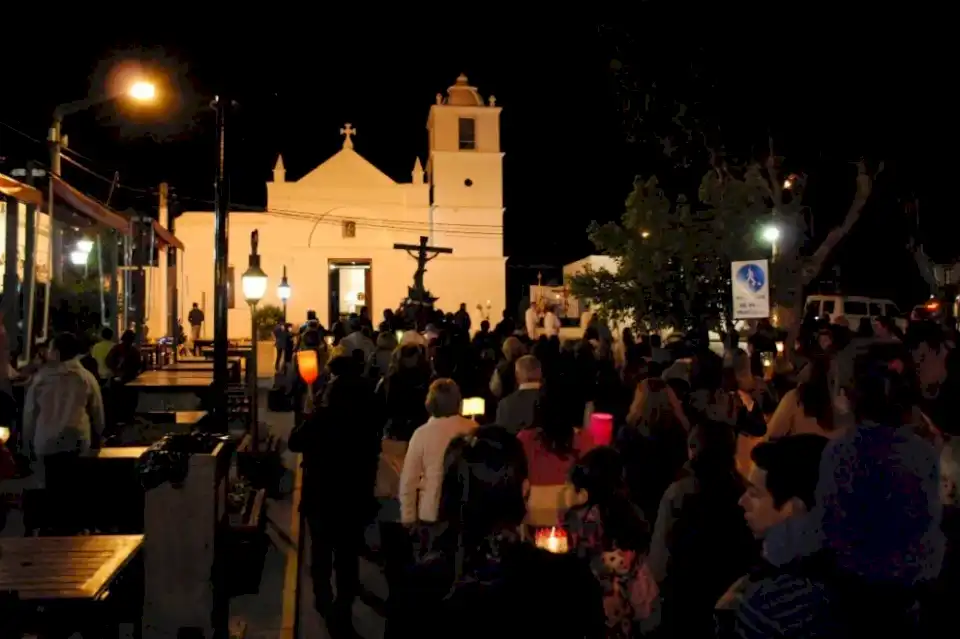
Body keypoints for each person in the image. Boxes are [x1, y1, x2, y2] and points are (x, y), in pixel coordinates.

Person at [22, 332, 105, 534]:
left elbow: (30, 415)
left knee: (52, 489)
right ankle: (74, 528)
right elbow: (97, 412)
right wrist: (98, 440)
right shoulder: (85, 377)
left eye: (50, 349)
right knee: (75, 491)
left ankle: (54, 529)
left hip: (46, 442)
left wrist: (27, 445)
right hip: (77, 441)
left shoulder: (41, 380)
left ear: (57, 353)